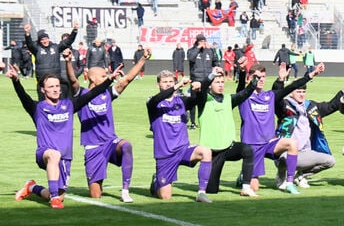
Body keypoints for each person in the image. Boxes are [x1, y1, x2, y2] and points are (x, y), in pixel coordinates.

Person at [10, 64, 115, 209]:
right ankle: (54, 199)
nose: (55, 89)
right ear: (43, 90)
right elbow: (23, 96)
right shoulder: (37, 108)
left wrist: (110, 80)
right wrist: (16, 81)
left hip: (65, 157)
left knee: (60, 195)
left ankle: (32, 187)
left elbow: (92, 93)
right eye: (51, 86)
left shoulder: (69, 105)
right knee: (54, 156)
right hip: (45, 152)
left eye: (57, 86)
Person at [63, 47, 149, 202]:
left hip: (110, 142)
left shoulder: (107, 93)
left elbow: (127, 79)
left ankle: (125, 191)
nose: (107, 77)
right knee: (96, 195)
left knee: (126, 145)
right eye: (103, 75)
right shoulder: (81, 95)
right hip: (93, 147)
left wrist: (143, 59)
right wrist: (68, 62)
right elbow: (72, 81)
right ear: (92, 79)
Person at [235, 63, 324, 194]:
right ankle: (244, 176)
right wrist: (242, 70)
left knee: (292, 143)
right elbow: (241, 87)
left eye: (263, 77)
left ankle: (289, 182)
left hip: (269, 143)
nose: (261, 79)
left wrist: (310, 75)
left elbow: (291, 87)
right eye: (257, 76)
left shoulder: (270, 96)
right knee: (254, 187)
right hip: (252, 145)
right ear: (250, 77)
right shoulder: (244, 97)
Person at [146, 71, 213, 202]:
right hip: (165, 154)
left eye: (170, 82)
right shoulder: (153, 102)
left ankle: (201, 192)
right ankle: (156, 183)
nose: (168, 84)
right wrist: (177, 86)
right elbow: (158, 98)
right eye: (164, 82)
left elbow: (198, 101)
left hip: (183, 149)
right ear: (158, 85)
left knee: (205, 151)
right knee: (165, 197)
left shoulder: (181, 101)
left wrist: (199, 90)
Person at [274, 64, 344, 188]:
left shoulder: (310, 106)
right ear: (291, 93)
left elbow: (330, 107)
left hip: (305, 152)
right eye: (298, 91)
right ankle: (281, 175)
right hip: (286, 152)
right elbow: (276, 98)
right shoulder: (285, 106)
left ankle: (300, 175)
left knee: (330, 161)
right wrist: (280, 81)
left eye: (303, 92)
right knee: (285, 158)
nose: (301, 94)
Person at [197, 67, 258, 196]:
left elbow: (244, 93)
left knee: (247, 150)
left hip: (228, 147)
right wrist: (211, 74)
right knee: (211, 190)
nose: (220, 85)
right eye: (217, 82)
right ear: (210, 85)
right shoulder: (203, 99)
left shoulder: (228, 99)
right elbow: (201, 88)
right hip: (212, 151)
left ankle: (246, 186)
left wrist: (254, 80)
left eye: (222, 82)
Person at [22, 22, 77, 94]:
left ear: (48, 39)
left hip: (55, 80)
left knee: (57, 100)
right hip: (42, 80)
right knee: (43, 102)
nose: (45, 41)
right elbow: (30, 44)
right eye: (42, 40)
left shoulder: (56, 47)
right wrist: (27, 34)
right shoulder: (37, 49)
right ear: (40, 41)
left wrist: (75, 30)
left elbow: (68, 42)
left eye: (46, 39)